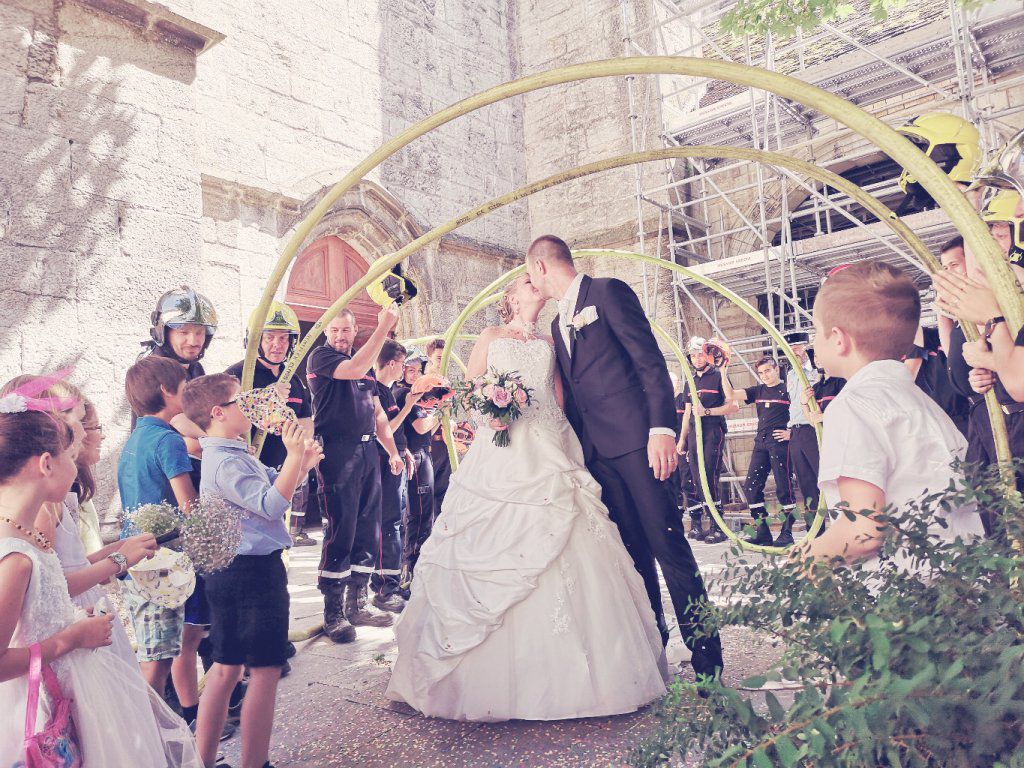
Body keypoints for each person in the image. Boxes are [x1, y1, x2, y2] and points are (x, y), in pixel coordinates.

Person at [387, 274, 667, 721]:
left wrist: (566, 441)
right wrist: (491, 414)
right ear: (511, 298)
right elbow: (469, 389)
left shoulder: (551, 341)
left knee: (572, 527)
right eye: (524, 283)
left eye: (535, 280)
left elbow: (558, 397)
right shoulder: (490, 335)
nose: (533, 285)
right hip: (501, 450)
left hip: (549, 443)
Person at [527, 234, 724, 680]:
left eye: (530, 275)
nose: (532, 284)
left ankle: (708, 664)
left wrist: (661, 431)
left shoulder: (608, 292)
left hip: (641, 447)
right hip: (598, 456)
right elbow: (575, 395)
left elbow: (650, 364)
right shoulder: (557, 326)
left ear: (540, 266)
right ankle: (653, 655)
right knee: (633, 559)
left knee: (670, 549)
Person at [0, 387, 201, 767]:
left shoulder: (26, 537)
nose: (76, 465)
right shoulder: (15, 556)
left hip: (69, 685)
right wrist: (71, 638)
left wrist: (75, 618)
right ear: (46, 464)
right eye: (70, 455)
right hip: (39, 704)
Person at [797, 261, 983, 569]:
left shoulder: (852, 406)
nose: (813, 342)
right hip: (956, 576)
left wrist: (803, 560)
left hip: (900, 586)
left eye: (816, 330)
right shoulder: (922, 402)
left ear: (839, 339)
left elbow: (864, 531)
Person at [184, 374, 322, 768]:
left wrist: (301, 464)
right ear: (218, 413)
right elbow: (271, 504)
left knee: (226, 668)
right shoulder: (227, 461)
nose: (250, 407)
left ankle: (203, 761)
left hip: (233, 572)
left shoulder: (230, 452)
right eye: (240, 402)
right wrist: (293, 457)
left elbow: (273, 485)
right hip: (252, 574)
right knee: (264, 669)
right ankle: (255, 763)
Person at [138, 285, 219, 726]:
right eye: (183, 331)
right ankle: (174, 698)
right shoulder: (151, 370)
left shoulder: (198, 369)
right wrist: (214, 440)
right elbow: (177, 425)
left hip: (197, 476)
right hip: (169, 493)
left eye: (199, 332)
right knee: (178, 601)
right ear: (164, 331)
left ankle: (217, 676)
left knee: (203, 597)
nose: (192, 340)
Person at [306, 307, 405, 643]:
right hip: (337, 452)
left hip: (367, 452)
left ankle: (357, 603)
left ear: (354, 330)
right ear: (326, 332)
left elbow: (378, 416)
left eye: (345, 330)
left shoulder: (366, 370)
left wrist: (392, 451)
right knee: (341, 529)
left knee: (368, 527)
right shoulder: (322, 357)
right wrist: (384, 327)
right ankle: (333, 611)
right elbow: (355, 368)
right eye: (334, 330)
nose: (339, 336)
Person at [118, 356, 198, 697]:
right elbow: (189, 505)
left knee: (156, 652)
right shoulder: (169, 440)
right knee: (157, 660)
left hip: (134, 557)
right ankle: (146, 723)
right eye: (184, 386)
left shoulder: (137, 437)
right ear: (166, 391)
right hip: (158, 560)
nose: (188, 393)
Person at [224, 301, 315, 547]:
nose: (277, 344)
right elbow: (221, 423)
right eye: (269, 337)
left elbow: (305, 422)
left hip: (282, 476)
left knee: (276, 542)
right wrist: (266, 399)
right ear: (255, 340)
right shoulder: (236, 376)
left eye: (284, 338)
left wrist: (302, 453)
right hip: (247, 478)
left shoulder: (294, 380)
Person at [370, 339, 417, 612]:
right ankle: (384, 588)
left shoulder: (386, 391)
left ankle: (393, 582)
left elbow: (394, 431)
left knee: (396, 521)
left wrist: (404, 449)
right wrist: (409, 406)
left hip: (396, 460)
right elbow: (383, 429)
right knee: (388, 522)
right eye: (402, 364)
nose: (403, 369)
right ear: (391, 363)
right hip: (384, 463)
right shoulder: (375, 390)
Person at [732, 357, 797, 546]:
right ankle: (763, 532)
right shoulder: (758, 390)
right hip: (760, 442)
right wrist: (722, 370)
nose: (764, 376)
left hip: (779, 443)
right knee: (751, 487)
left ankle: (787, 533)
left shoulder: (788, 389)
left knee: (784, 488)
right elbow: (730, 395)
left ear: (777, 369)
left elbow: (803, 411)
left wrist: (791, 433)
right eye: (761, 373)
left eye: (767, 371)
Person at [679, 336, 737, 545]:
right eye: (693, 356)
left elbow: (733, 406)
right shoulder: (690, 380)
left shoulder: (718, 375)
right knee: (697, 480)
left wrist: (707, 412)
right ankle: (709, 523)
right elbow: (687, 413)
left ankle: (718, 526)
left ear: (708, 355)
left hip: (713, 431)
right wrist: (682, 440)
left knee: (710, 477)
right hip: (695, 433)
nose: (697, 359)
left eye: (700, 354)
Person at [393, 357, 442, 591]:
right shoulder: (405, 393)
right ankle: (411, 571)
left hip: (420, 453)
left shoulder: (416, 396)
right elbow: (421, 427)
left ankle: (414, 569)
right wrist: (441, 412)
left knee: (421, 514)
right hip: (415, 456)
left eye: (418, 370)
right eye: (410, 370)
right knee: (419, 515)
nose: (415, 375)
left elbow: (427, 429)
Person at [781, 331, 821, 522]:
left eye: (797, 348)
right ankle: (815, 529)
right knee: (806, 483)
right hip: (796, 432)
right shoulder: (789, 375)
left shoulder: (817, 372)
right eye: (790, 350)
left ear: (806, 348)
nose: (794, 353)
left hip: (813, 429)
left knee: (824, 478)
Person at [424, 338, 453, 519]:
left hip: (444, 442)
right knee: (429, 492)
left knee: (445, 491)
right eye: (439, 358)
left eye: (445, 357)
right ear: (430, 357)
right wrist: (442, 414)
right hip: (430, 444)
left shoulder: (445, 381)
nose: (442, 362)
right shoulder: (425, 384)